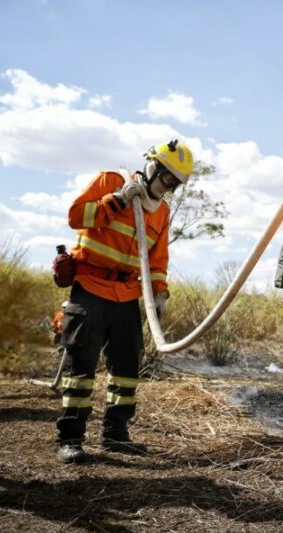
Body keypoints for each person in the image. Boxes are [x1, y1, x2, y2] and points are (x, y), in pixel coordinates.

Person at [55, 140, 193, 464]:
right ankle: (71, 437)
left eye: (176, 183)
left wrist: (159, 292)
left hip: (128, 295)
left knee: (126, 370)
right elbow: (76, 216)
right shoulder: (110, 181)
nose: (168, 187)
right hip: (90, 288)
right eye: (167, 178)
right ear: (152, 166)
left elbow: (157, 261)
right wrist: (116, 201)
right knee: (81, 368)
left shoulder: (160, 211)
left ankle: (115, 434)